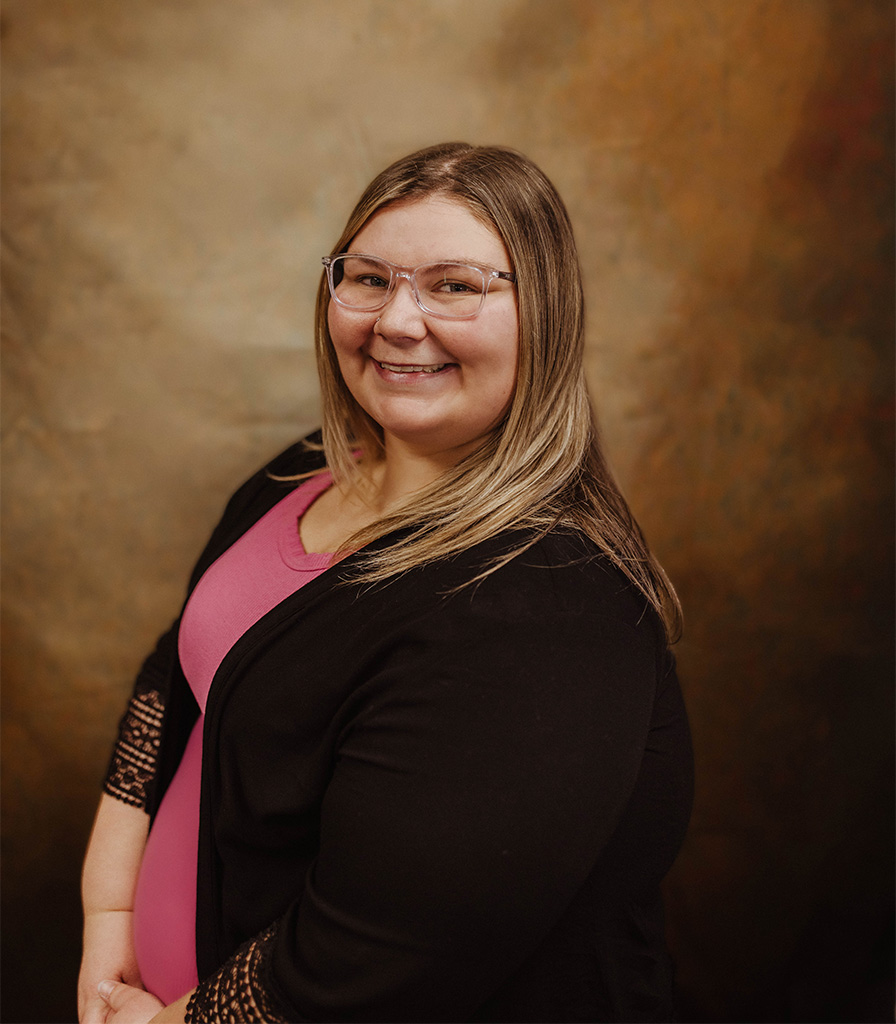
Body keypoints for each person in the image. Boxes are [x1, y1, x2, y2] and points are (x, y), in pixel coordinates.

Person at [78, 142, 693, 1024]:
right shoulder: (305, 473)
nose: (398, 321)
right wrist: (110, 922)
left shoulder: (544, 607)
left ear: (546, 313)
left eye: (455, 285)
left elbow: (373, 962)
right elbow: (175, 677)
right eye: (369, 278)